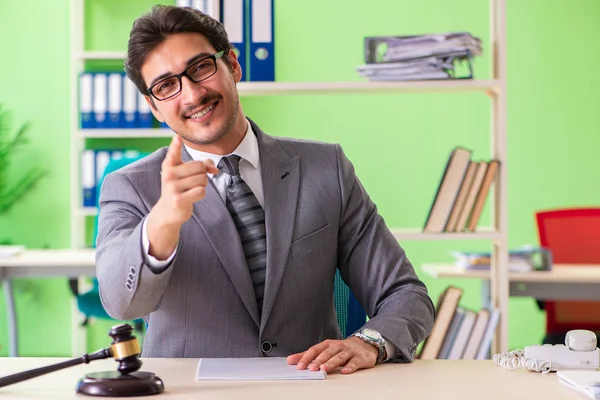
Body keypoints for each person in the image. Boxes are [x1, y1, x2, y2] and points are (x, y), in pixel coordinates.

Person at [96, 4, 435, 375]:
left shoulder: (327, 168)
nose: (191, 95)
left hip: (308, 387)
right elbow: (120, 302)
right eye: (166, 86)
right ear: (154, 107)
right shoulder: (129, 186)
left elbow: (406, 294)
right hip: (191, 392)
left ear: (233, 66)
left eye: (200, 68)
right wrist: (162, 222)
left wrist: (369, 342)